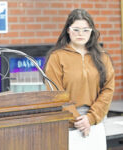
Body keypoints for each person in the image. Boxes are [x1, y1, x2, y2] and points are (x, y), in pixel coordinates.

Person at [44, 9, 115, 150]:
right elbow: (56, 93)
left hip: (95, 123)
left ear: (92, 32)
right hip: (67, 126)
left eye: (85, 30)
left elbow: (108, 89)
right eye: (76, 29)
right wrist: (78, 120)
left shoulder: (103, 57)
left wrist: (90, 118)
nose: (80, 34)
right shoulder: (57, 57)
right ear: (68, 31)